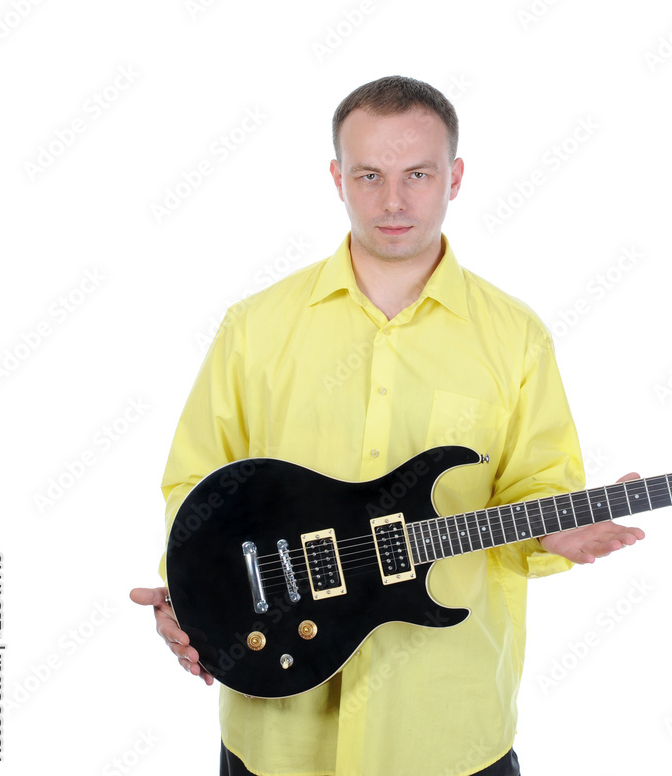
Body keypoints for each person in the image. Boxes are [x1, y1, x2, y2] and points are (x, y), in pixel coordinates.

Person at [131, 75, 644, 776]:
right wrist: (194, 595)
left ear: (454, 178)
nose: (393, 200)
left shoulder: (515, 338)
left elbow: (539, 490)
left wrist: (556, 533)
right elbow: (195, 485)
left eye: (418, 174)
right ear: (337, 177)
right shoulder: (256, 328)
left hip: (446, 733)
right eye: (369, 175)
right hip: (281, 735)